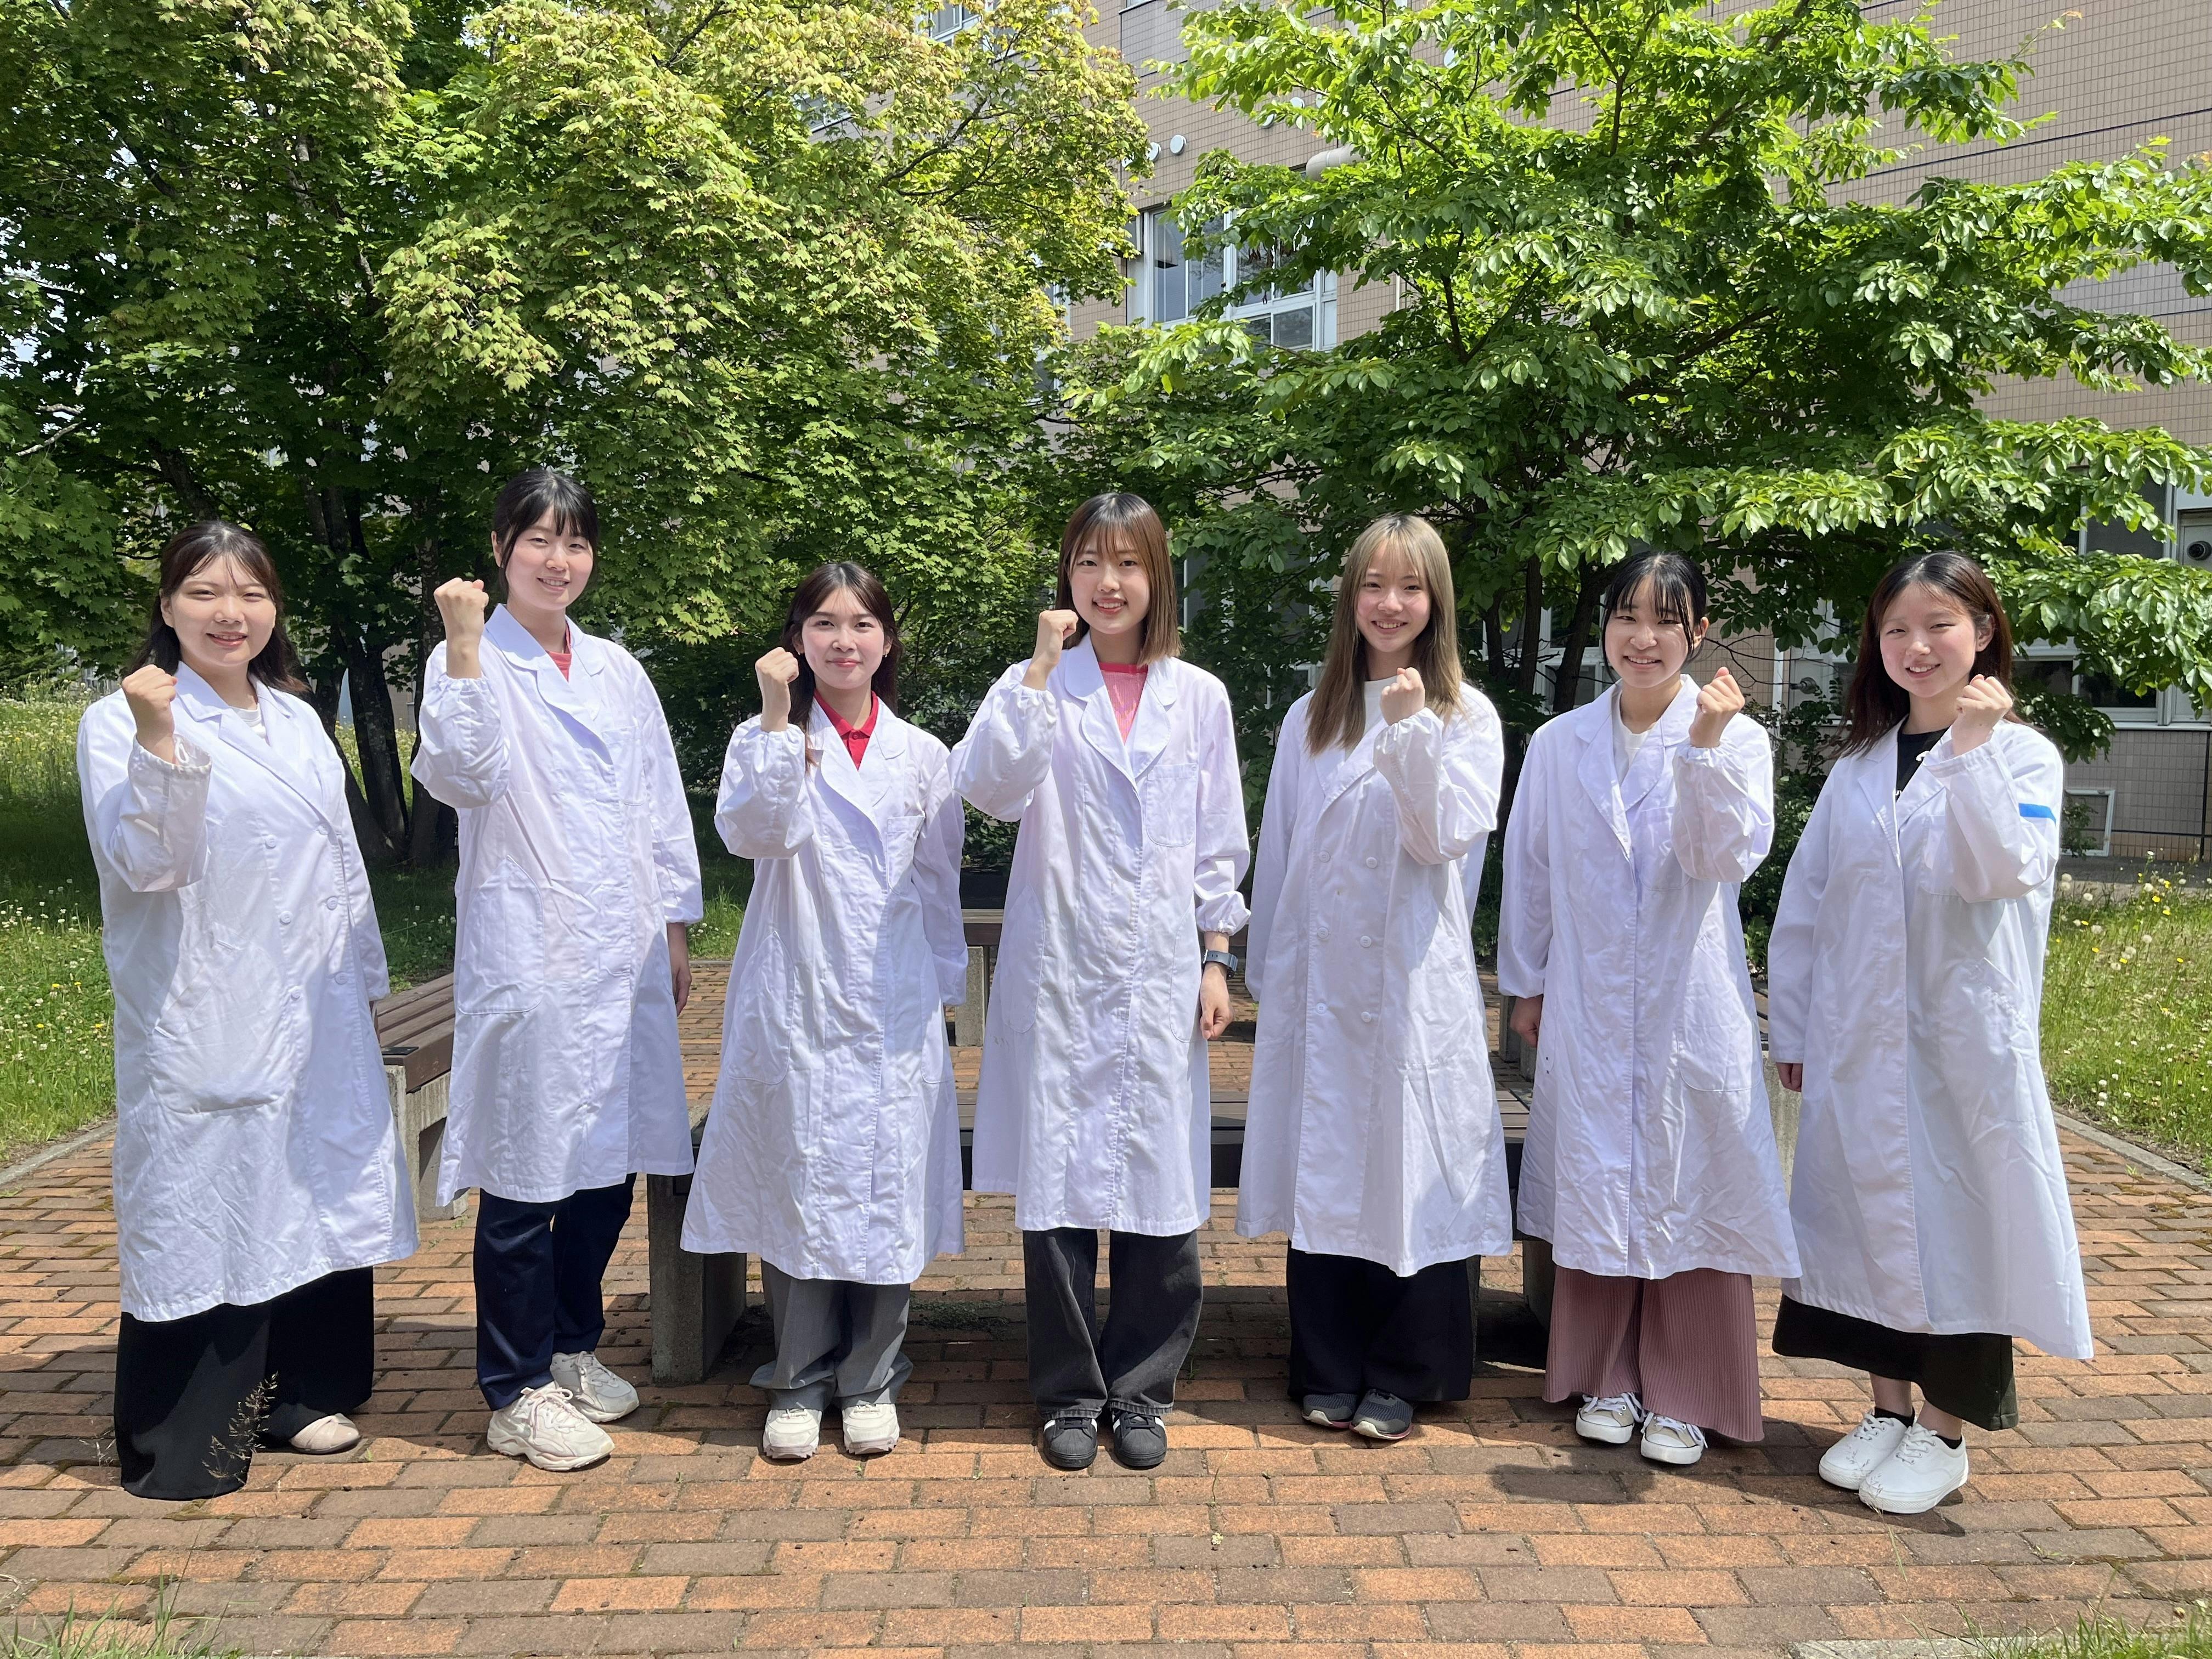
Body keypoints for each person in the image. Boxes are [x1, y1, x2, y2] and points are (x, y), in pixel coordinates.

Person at [78, 521, 416, 1500]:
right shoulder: (119, 720)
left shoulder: (298, 718)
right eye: (205, 593)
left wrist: (363, 982)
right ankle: (186, 1438)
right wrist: (159, 741)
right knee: (209, 1196)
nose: (230, 614)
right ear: (167, 606)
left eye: (251, 594)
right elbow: (151, 865)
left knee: (309, 1187)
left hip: (313, 1001)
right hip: (208, 999)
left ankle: (301, 1392)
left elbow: (342, 863)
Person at [1768, 551, 2088, 1516]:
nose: (1917, 647)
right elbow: (1808, 906)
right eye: (1897, 629)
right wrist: (1795, 1024)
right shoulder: (1858, 768)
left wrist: (1976, 749)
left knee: (1961, 1230)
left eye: (1939, 626)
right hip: (1859, 1041)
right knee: (1864, 1220)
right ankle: (1888, 1410)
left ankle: (1945, 1432)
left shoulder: (2023, 757)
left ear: (1982, 633)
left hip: (1962, 1049)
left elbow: (2003, 871)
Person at [952, 492, 1250, 1472]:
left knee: (1160, 1183)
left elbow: (1218, 839)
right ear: (1067, 576)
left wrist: (1216, 956)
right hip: (1061, 969)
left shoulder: (1197, 696)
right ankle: (1068, 1394)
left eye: (1127, 564)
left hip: (1160, 968)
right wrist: (1039, 673)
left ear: (1156, 577)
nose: (1108, 583)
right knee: (1059, 1184)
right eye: (1089, 562)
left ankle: (1143, 1389)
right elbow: (989, 790)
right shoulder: (1035, 684)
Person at [411, 467, 702, 1473]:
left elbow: (661, 801)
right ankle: (514, 1388)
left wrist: (675, 925)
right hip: (530, 945)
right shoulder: (468, 659)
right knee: (525, 1168)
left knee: (607, 1164)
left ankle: (572, 1344)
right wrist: (461, 646)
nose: (557, 560)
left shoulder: (618, 669)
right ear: (501, 549)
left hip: (621, 947)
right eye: (537, 539)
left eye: (574, 542)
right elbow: (462, 775)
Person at [1498, 551, 1798, 1468]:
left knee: (1690, 1179)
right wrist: (1527, 983)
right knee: (1597, 1178)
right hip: (1589, 996)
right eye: (1627, 616)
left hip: (1685, 999)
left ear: (1699, 633)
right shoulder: (1561, 743)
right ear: (1605, 629)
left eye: (1666, 620)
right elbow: (1531, 868)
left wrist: (1702, 750)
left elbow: (1724, 859)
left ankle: (1688, 1393)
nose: (1643, 637)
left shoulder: (1738, 740)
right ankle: (1607, 1377)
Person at [682, 562, 967, 1462]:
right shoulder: (763, 736)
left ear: (887, 642)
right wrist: (776, 721)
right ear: (798, 639)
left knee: (887, 1180)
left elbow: (939, 881)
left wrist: (943, 989)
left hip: (892, 996)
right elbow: (756, 835)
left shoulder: (923, 755)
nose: (844, 641)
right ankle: (799, 1379)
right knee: (798, 1175)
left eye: (862, 624)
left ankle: (872, 1377)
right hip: (797, 987)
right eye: (825, 624)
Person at [1239, 515, 1510, 1441]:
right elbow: (1281, 851)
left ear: (1437, 602)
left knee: (1408, 1161)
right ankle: (1326, 1360)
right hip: (1321, 981)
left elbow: (1440, 841)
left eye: (1410, 587)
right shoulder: (1310, 715)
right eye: (1373, 585)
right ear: (1350, 597)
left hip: (1409, 979)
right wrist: (1268, 969)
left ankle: (1406, 1369)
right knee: (1327, 1162)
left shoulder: (1466, 716)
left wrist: (1409, 731)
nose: (1390, 604)